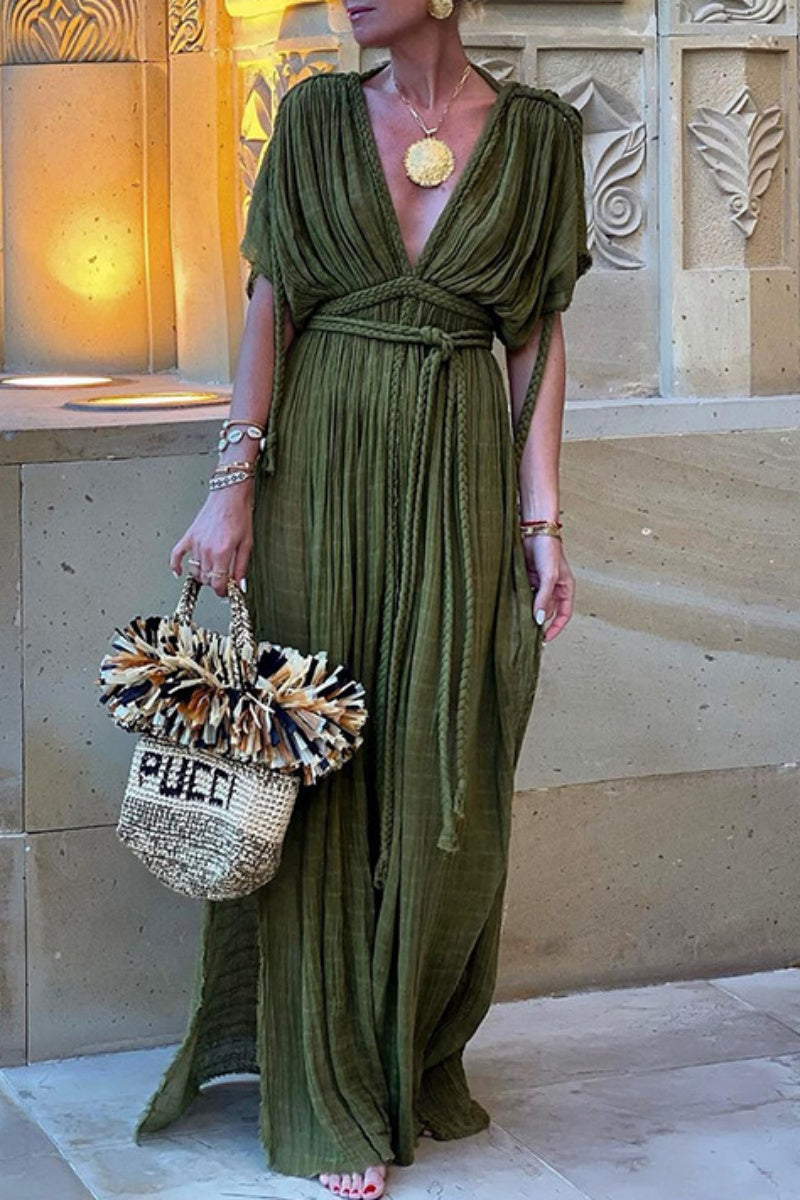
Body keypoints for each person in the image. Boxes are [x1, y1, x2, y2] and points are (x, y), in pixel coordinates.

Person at [137, 0, 592, 1196]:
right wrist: (229, 487)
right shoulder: (314, 118)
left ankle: (401, 1051)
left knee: (441, 763)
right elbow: (271, 306)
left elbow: (534, 342)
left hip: (457, 474)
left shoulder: (538, 136)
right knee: (319, 763)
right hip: (321, 469)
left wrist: (541, 525)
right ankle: (326, 1084)